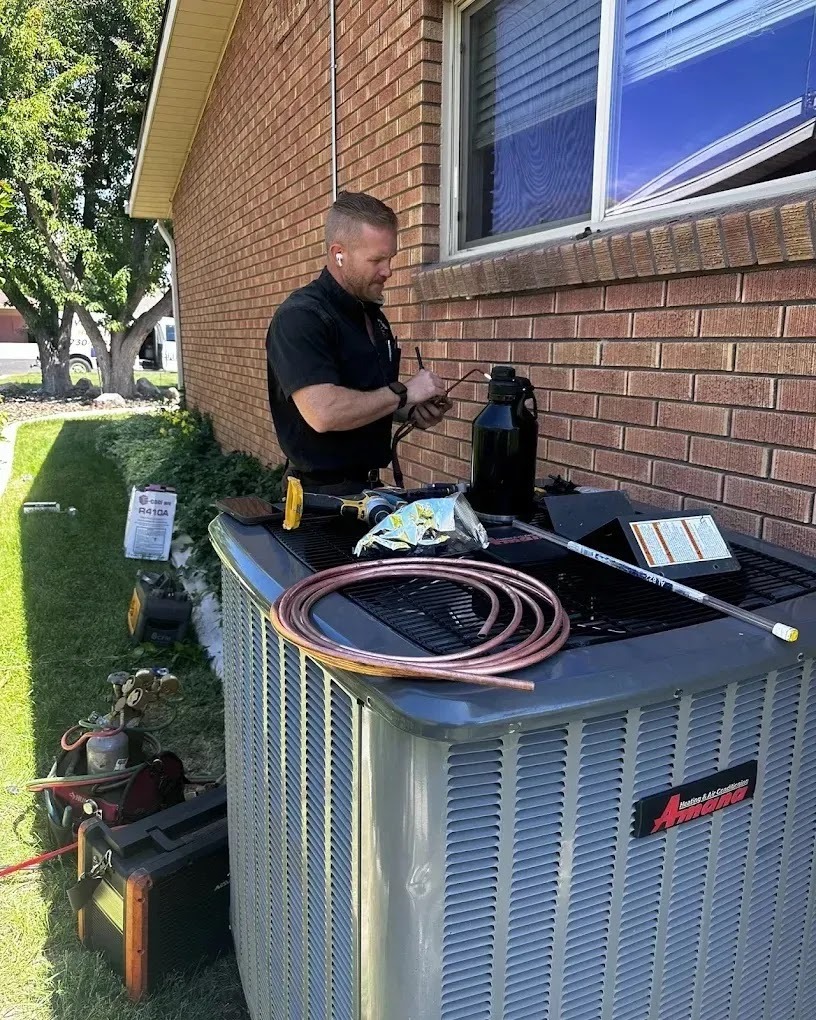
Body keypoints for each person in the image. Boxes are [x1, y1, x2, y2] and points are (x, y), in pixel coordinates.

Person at [266, 191, 451, 495]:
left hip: (369, 490)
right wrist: (403, 392)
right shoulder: (301, 317)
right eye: (377, 260)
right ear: (339, 254)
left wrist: (412, 410)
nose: (388, 270)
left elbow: (369, 399)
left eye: (390, 258)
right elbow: (324, 413)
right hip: (319, 500)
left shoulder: (373, 317)